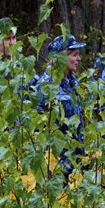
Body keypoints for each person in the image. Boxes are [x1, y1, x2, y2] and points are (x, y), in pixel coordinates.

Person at [32, 34, 86, 177]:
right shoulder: (45, 86)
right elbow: (37, 129)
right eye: (74, 55)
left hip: (74, 162)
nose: (79, 59)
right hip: (55, 166)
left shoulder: (72, 83)